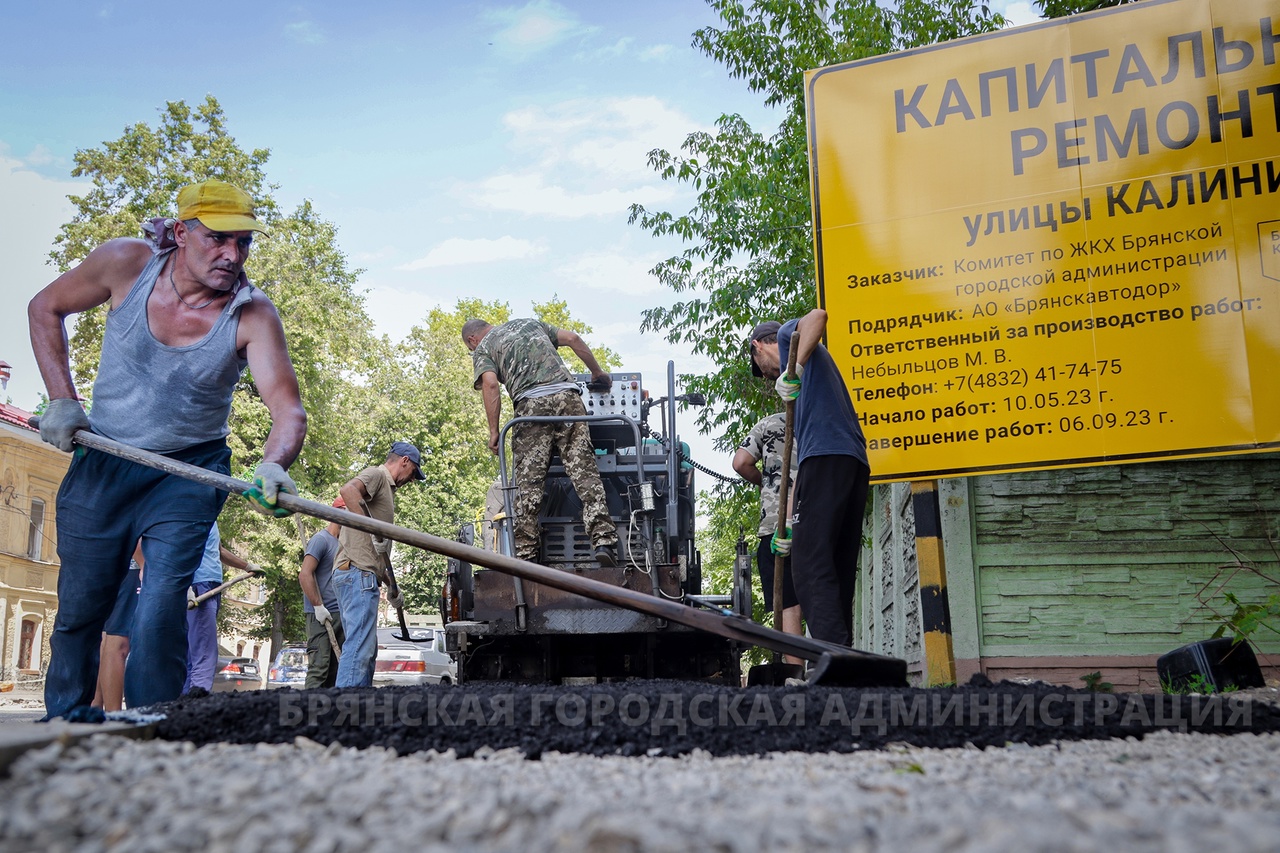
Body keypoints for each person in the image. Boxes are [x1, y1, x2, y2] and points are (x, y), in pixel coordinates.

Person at [28, 178, 307, 718]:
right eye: (217, 239)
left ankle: (158, 725)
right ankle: (64, 723)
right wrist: (63, 400)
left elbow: (287, 410)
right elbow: (45, 307)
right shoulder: (125, 266)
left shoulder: (251, 314)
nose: (232, 255)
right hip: (104, 460)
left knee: (159, 606)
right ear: (181, 232)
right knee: (82, 605)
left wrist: (274, 463)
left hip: (188, 472)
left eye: (243, 242)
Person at [747, 310, 870, 647]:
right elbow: (800, 470)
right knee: (835, 566)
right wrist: (785, 526)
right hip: (850, 462)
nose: (769, 376)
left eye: (763, 370)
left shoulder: (789, 339)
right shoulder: (809, 399)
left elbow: (818, 315)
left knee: (808, 566)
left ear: (759, 347)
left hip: (828, 458)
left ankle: (833, 662)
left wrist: (793, 367)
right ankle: (843, 661)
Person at [461, 317, 620, 567]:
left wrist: (494, 432)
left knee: (527, 487)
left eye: (470, 348)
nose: (473, 350)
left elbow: (490, 384)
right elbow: (573, 339)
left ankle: (526, 557)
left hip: (532, 408)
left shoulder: (484, 347)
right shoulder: (530, 324)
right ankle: (604, 542)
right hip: (568, 400)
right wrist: (597, 372)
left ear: (472, 339)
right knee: (585, 474)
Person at [334, 442, 424, 688]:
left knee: (366, 650)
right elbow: (348, 491)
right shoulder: (378, 475)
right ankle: (346, 710)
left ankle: (359, 711)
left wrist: (391, 586)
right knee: (359, 648)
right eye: (414, 472)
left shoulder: (386, 488)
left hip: (360, 572)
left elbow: (375, 550)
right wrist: (371, 529)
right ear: (404, 461)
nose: (412, 479)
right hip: (356, 572)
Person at [732, 412, 803, 660]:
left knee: (788, 605)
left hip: (777, 526)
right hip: (816, 520)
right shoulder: (819, 417)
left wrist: (766, 482)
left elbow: (740, 462)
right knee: (822, 596)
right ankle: (828, 671)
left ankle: (797, 673)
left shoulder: (768, 423)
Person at [183, 522, 255, 694]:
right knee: (205, 651)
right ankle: (195, 702)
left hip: (211, 585)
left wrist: (247, 566)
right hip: (198, 586)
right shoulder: (194, 512)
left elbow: (219, 551)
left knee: (194, 651)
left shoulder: (211, 518)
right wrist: (186, 584)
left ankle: (185, 700)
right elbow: (181, 546)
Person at [300, 497, 346, 689]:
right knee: (319, 666)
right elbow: (305, 574)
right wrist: (318, 606)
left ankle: (329, 712)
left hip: (341, 613)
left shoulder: (344, 545)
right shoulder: (321, 540)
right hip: (320, 615)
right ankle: (310, 711)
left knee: (337, 669)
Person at [91, 541, 143, 711]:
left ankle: (96, 705)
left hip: (112, 564)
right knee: (119, 643)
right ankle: (114, 715)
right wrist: (143, 564)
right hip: (132, 567)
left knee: (107, 638)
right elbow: (136, 522)